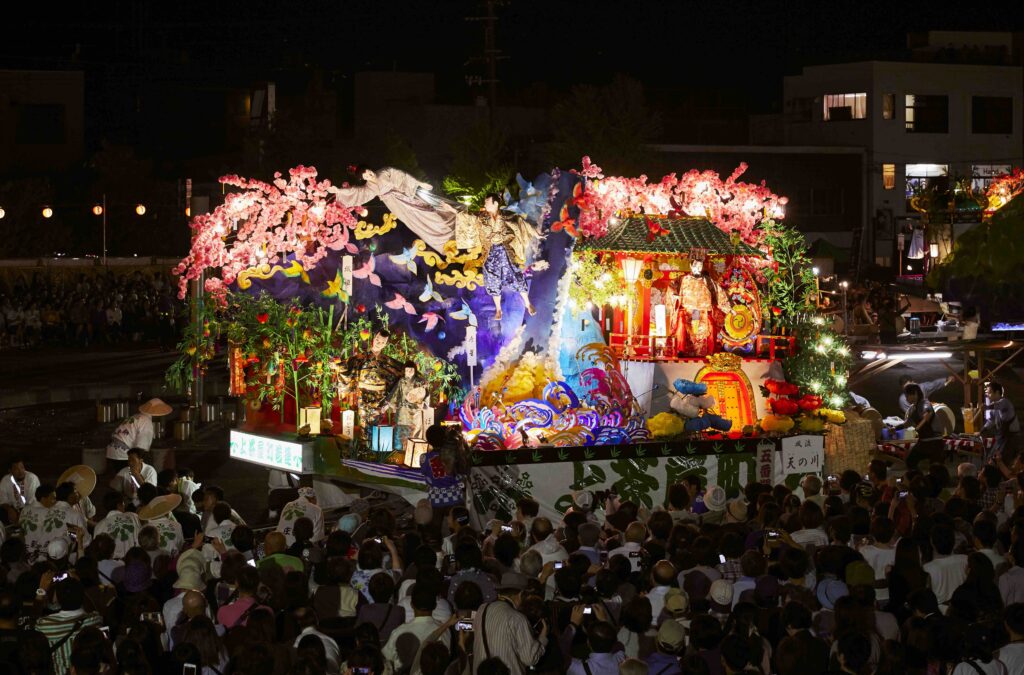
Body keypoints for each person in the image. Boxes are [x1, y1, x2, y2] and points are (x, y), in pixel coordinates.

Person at [328, 165, 457, 253]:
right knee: (416, 222)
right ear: (364, 179)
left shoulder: (384, 172)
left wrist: (419, 183)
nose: (368, 175)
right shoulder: (369, 188)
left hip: (405, 196)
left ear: (369, 169)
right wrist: (339, 191)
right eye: (365, 176)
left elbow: (402, 176)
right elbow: (356, 192)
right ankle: (443, 240)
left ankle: (448, 228)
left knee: (427, 211)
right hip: (396, 206)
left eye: (367, 171)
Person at [467, 192, 541, 320]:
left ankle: (528, 304)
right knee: (492, 280)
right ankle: (498, 309)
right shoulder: (482, 217)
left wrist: (536, 233)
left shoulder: (506, 216)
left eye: (487, 201)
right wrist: (451, 209)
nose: (485, 204)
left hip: (505, 251)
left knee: (516, 276)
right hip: (490, 253)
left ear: (495, 203)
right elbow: (467, 216)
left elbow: (520, 221)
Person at [472, 574, 548, 675]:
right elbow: (530, 659)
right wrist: (543, 636)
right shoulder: (517, 618)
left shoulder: (482, 609)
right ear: (521, 594)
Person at [35, 577, 103, 674]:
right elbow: (93, 610)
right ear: (82, 595)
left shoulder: (45, 625)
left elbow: (32, 621)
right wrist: (79, 587)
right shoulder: (94, 620)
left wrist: (41, 590)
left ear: (57, 598)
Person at [105, 398, 172, 472]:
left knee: (121, 476)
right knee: (130, 478)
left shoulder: (136, 417)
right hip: (123, 454)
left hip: (112, 450)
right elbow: (141, 447)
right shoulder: (146, 422)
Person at [382, 360, 431, 451]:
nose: (409, 372)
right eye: (407, 370)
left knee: (414, 434)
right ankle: (399, 452)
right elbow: (395, 394)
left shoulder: (420, 382)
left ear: (415, 370)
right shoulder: (401, 381)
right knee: (400, 434)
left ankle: (414, 455)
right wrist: (387, 405)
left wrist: (422, 403)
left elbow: (426, 394)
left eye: (411, 370)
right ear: (404, 371)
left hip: (415, 412)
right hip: (402, 412)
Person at [982, 381, 1019, 464]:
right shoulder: (994, 407)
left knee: (1002, 461)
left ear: (997, 392)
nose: (988, 395)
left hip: (1010, 438)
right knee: (990, 459)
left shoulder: (1005, 402)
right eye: (987, 393)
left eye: (990, 392)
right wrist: (982, 430)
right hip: (1001, 437)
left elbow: (998, 406)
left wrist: (985, 406)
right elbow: (991, 421)